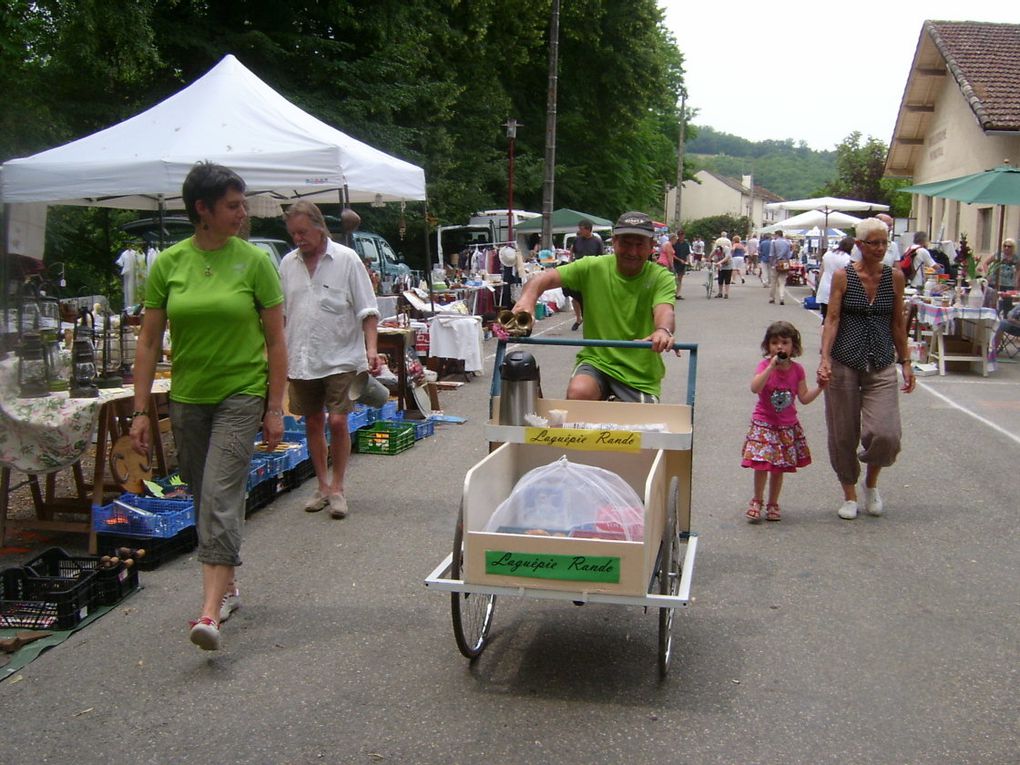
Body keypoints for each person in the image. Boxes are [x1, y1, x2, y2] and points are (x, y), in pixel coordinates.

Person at [129, 162, 287, 651]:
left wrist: (275, 405)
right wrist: (139, 410)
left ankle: (208, 612)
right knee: (202, 496)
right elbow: (149, 340)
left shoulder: (255, 261)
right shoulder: (169, 264)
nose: (243, 214)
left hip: (241, 393)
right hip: (188, 397)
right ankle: (230, 586)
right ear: (203, 209)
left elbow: (277, 342)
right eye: (233, 206)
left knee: (220, 496)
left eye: (242, 205)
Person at [279, 201, 381, 520]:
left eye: (303, 232)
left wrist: (371, 349)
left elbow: (368, 308)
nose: (298, 238)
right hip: (302, 356)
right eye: (293, 233)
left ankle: (338, 488)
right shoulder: (286, 264)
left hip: (341, 356)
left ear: (320, 227)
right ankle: (321, 485)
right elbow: (281, 315)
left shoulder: (347, 260)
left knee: (337, 420)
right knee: (312, 420)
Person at [512, 210, 676, 402]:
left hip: (639, 373)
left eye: (639, 245)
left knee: (639, 427)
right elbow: (543, 278)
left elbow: (665, 310)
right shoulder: (592, 267)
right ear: (614, 242)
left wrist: (663, 331)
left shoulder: (660, 277)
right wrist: (527, 301)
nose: (632, 252)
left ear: (651, 247)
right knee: (579, 392)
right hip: (597, 361)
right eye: (625, 243)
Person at [817, 217, 915, 521]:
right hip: (845, 360)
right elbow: (831, 319)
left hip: (882, 361)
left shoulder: (894, 277)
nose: (881, 248)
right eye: (875, 243)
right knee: (843, 432)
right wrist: (824, 359)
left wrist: (906, 361)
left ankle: (871, 484)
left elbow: (898, 321)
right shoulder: (842, 276)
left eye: (885, 242)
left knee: (886, 434)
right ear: (860, 245)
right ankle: (849, 493)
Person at [741, 321, 824, 522]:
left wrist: (821, 387)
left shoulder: (798, 370)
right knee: (761, 465)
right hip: (764, 423)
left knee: (778, 467)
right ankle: (757, 500)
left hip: (786, 425)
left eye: (785, 343)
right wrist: (770, 367)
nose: (780, 347)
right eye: (775, 343)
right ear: (768, 346)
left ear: (793, 347)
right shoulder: (764, 366)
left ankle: (773, 503)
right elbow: (755, 388)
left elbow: (803, 397)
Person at [566, 219, 604, 331]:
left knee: (590, 297)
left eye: (581, 229)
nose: (579, 231)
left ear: (588, 229)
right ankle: (579, 318)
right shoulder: (577, 240)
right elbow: (573, 250)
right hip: (578, 271)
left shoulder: (597, 241)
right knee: (574, 297)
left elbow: (601, 258)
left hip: (591, 272)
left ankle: (592, 319)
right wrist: (570, 261)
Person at [816, 236, 854, 322]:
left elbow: (821, 271)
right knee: (836, 319)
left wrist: (819, 283)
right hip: (837, 290)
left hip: (824, 288)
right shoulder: (847, 259)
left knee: (825, 317)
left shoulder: (828, 254)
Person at [769, 230, 792, 304]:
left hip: (776, 262)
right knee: (782, 281)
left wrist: (772, 264)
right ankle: (781, 297)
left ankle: (772, 297)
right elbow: (789, 256)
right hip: (784, 263)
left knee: (773, 281)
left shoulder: (774, 242)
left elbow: (771, 254)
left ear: (777, 235)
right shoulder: (787, 243)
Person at [673, 230, 691, 299]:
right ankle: (673, 292)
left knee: (680, 278)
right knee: (674, 278)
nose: (681, 236)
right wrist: (679, 260)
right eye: (680, 235)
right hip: (675, 262)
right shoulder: (675, 243)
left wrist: (688, 261)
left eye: (682, 235)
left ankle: (678, 293)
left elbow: (687, 253)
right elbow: (672, 254)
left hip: (683, 263)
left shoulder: (686, 244)